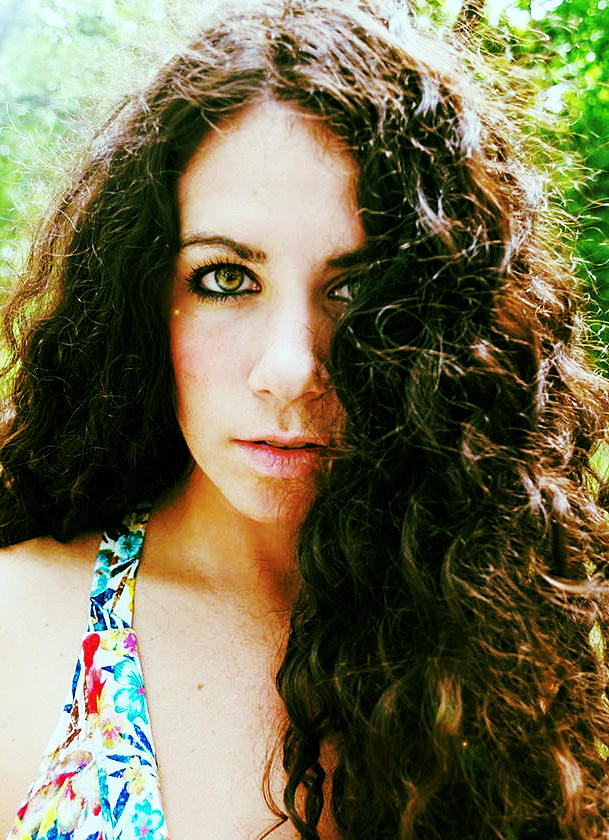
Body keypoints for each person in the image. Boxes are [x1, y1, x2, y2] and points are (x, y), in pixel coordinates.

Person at [1, 0, 609, 837]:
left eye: (358, 289)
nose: (290, 369)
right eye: (224, 278)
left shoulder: (523, 639)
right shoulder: (18, 624)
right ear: (137, 298)